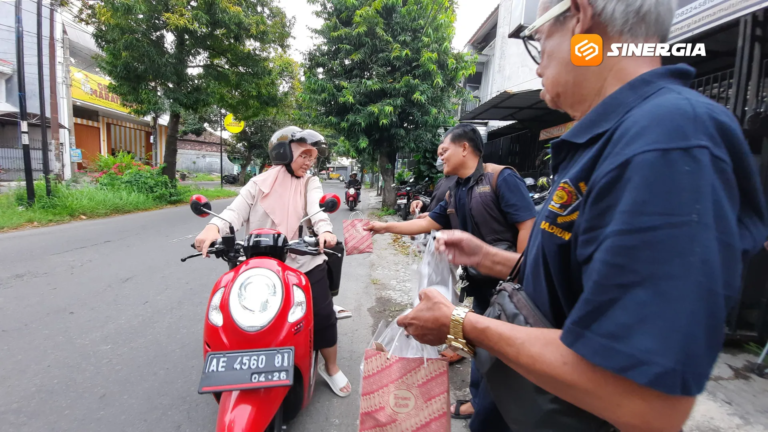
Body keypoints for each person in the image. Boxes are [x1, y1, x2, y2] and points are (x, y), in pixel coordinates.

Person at [396, 0, 768, 431]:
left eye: (539, 40)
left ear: (580, 17)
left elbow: (645, 400)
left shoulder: (669, 140)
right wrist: (489, 257)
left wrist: (459, 323)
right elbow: (574, 287)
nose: (538, 68)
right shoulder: (614, 137)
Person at [366, 123, 536, 427]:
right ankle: (478, 401)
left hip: (511, 286)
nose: (440, 158)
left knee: (505, 357)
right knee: (481, 346)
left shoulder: (500, 178)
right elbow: (429, 223)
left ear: (465, 148)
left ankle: (493, 412)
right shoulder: (455, 190)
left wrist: (518, 279)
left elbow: (527, 225)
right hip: (483, 287)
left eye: (443, 151)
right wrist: (384, 227)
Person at [194, 126, 352, 398]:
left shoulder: (310, 182)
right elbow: (234, 212)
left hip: (303, 262)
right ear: (283, 152)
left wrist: (324, 230)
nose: (309, 161)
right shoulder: (258, 183)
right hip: (259, 265)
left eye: (312, 156)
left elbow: (317, 209)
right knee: (234, 314)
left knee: (324, 316)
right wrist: (213, 228)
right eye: (304, 154)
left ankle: (331, 366)